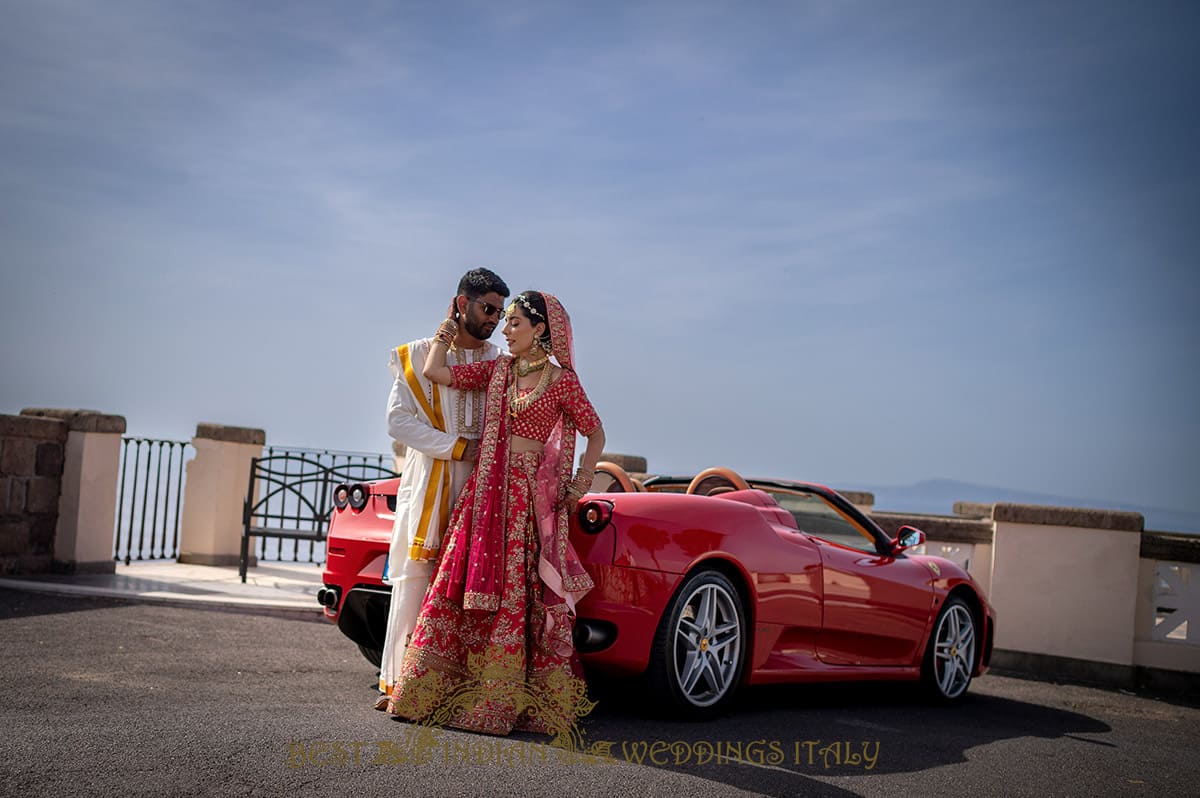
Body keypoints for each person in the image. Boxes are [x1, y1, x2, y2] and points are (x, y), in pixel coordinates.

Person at [386, 290, 605, 737]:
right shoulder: (499, 370)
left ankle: (501, 697)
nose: (504, 330)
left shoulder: (563, 382)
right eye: (503, 321)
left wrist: (579, 484)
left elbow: (595, 433)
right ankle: (433, 691)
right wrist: (448, 327)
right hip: (485, 493)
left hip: (526, 499)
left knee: (515, 596)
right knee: (459, 583)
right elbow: (434, 371)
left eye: (514, 323)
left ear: (540, 330)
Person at [374, 267, 510, 709]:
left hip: (480, 488)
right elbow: (398, 422)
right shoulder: (418, 355)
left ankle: (455, 690)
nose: (494, 318)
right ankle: (398, 685)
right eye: (487, 308)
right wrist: (454, 447)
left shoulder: (498, 365)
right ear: (460, 303)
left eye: (500, 311)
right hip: (431, 479)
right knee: (415, 577)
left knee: (468, 583)